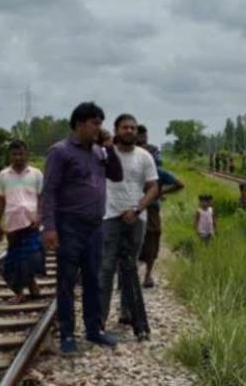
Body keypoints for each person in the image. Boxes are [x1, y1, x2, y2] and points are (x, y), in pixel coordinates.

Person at [42, 102, 123, 354]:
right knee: (66, 281)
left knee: (93, 279)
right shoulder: (60, 152)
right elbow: (50, 191)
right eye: (95, 123)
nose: (99, 128)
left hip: (95, 226)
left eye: (100, 123)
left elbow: (117, 175)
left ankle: (94, 329)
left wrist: (110, 148)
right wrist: (50, 227)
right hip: (69, 226)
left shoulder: (100, 151)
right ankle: (67, 334)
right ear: (79, 124)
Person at [101, 114, 158, 342]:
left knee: (130, 267)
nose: (129, 131)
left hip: (136, 218)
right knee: (106, 267)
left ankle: (127, 312)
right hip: (108, 216)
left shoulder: (144, 156)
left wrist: (137, 209)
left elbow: (153, 187)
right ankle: (100, 319)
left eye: (133, 128)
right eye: (125, 127)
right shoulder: (104, 154)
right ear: (116, 129)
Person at [0, 140, 46, 304]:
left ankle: (31, 283)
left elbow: (42, 198)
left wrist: (40, 217)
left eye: (21, 154)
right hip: (12, 225)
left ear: (27, 154)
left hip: (31, 223)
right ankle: (19, 291)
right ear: (10, 156)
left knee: (32, 257)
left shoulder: (36, 174)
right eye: (14, 154)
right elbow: (0, 202)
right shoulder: (3, 175)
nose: (18, 157)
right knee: (14, 260)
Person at [139, 166, 184, 288]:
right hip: (151, 209)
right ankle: (147, 275)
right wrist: (161, 192)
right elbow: (179, 184)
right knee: (152, 239)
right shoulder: (158, 171)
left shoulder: (133, 166)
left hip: (133, 206)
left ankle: (127, 276)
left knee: (131, 238)